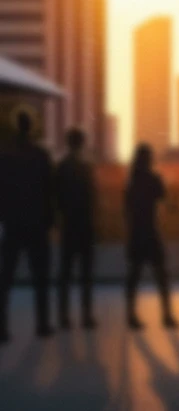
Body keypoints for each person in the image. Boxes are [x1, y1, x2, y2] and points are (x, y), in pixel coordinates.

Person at [0, 111, 55, 343]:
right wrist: (49, 220)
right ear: (31, 126)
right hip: (36, 224)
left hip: (13, 223)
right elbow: (50, 190)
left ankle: (2, 328)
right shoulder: (41, 155)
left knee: (6, 278)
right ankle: (42, 324)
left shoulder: (5, 155)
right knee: (40, 278)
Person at [123, 143, 177, 329]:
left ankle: (131, 315)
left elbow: (127, 211)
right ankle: (167, 316)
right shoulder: (154, 179)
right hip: (151, 232)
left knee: (134, 276)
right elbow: (166, 202)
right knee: (161, 275)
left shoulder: (131, 181)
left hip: (136, 233)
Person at [54, 128, 97, 330]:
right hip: (85, 227)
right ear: (82, 143)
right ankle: (86, 316)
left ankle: (63, 317)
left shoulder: (61, 167)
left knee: (65, 274)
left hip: (69, 226)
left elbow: (56, 198)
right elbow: (92, 199)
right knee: (86, 275)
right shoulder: (86, 168)